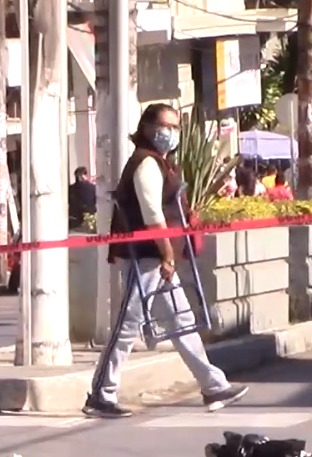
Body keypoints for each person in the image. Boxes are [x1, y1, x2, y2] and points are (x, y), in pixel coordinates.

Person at [83, 103, 247, 418]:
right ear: (146, 127)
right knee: (127, 325)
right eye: (164, 126)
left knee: (182, 322)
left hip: (155, 258)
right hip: (147, 257)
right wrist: (168, 253)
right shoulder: (145, 164)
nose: (170, 133)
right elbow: (152, 215)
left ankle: (213, 386)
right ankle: (101, 394)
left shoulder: (159, 163)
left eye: (175, 127)